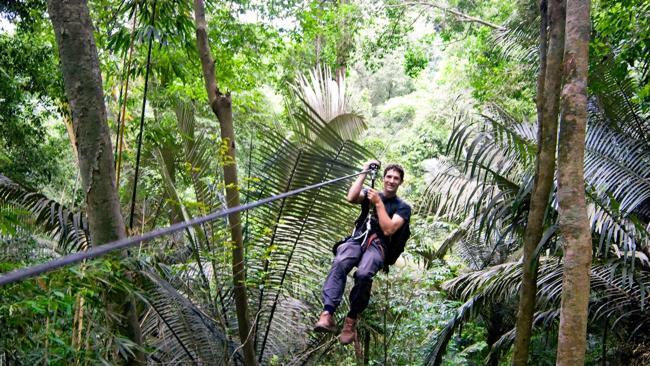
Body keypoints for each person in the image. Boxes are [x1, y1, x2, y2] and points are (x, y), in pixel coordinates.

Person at [313, 160, 412, 344]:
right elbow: (351, 197)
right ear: (383, 178)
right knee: (341, 262)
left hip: (378, 245)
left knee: (364, 274)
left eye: (396, 178)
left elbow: (389, 229)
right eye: (388, 177)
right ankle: (327, 313)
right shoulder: (370, 193)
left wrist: (378, 203)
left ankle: (350, 321)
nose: (391, 181)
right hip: (358, 238)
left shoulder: (403, 207)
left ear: (400, 182)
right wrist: (364, 171)